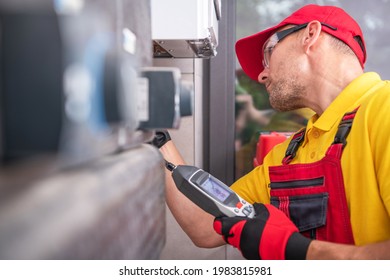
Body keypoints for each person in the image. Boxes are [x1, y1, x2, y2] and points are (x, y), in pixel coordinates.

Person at [154, 4, 390, 259]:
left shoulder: (383, 110)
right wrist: (156, 136)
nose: (262, 75)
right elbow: (204, 224)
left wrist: (296, 251)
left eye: (268, 53)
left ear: (310, 35)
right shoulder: (289, 155)